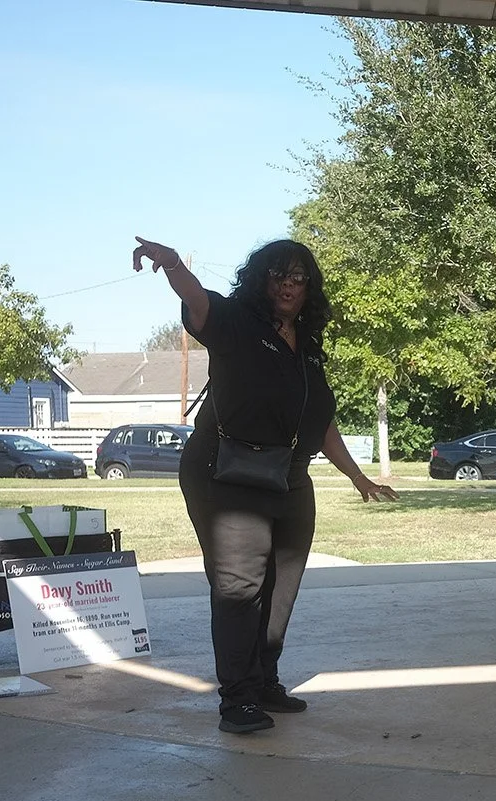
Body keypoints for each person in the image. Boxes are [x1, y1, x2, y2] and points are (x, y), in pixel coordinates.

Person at [132, 235, 396, 735]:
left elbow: (319, 422)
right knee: (239, 586)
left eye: (299, 278)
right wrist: (170, 265)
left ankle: (263, 679)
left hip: (290, 477)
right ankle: (237, 699)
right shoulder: (236, 322)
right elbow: (197, 299)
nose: (289, 286)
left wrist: (357, 475)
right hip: (226, 473)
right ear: (262, 279)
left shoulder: (309, 347)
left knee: (282, 585)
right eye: (279, 275)